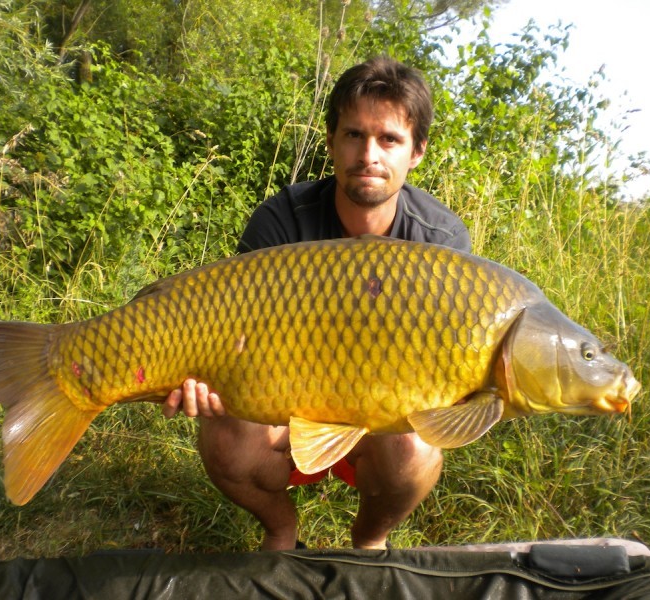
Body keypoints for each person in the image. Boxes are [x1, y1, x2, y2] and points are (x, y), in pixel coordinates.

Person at [163, 57, 470, 551]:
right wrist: (202, 374)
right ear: (331, 142)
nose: (368, 153)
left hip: (380, 419)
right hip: (284, 408)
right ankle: (282, 532)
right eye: (353, 135)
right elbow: (231, 334)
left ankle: (369, 540)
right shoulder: (282, 220)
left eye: (389, 139)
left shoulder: (441, 242)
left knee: (417, 449)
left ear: (416, 152)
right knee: (223, 436)